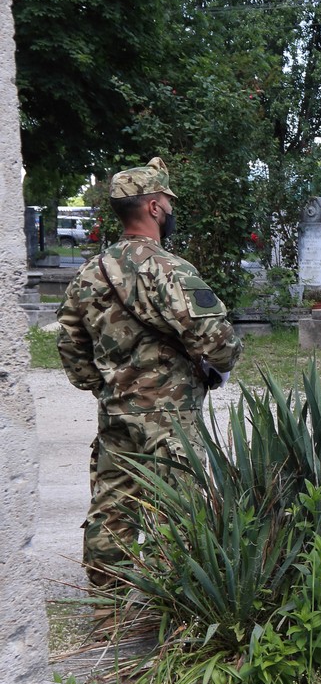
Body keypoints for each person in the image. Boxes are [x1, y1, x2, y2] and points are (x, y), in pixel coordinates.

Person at [56, 156, 243, 592]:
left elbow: (70, 346)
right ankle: (174, 609)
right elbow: (217, 340)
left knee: (113, 506)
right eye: (168, 203)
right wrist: (217, 367)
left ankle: (108, 608)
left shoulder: (89, 273)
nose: (171, 211)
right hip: (171, 416)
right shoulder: (168, 269)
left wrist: (106, 385)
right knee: (178, 508)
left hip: (116, 414)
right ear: (156, 207)